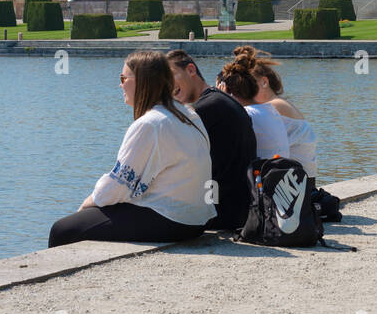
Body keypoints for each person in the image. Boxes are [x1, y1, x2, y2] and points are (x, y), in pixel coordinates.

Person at [49, 51, 214, 247]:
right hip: (197, 220)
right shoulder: (188, 114)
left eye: (123, 78)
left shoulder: (150, 124)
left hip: (172, 219)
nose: (120, 84)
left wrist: (87, 204)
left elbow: (117, 186)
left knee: (62, 230)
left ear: (142, 81)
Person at [166, 48, 257, 231]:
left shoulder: (202, 111)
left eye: (171, 76)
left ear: (191, 70)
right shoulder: (221, 101)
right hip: (240, 208)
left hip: (220, 214)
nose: (167, 86)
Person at [243, 46, 319, 181]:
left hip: (297, 183)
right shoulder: (279, 103)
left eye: (248, 84)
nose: (245, 90)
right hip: (302, 180)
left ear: (264, 82)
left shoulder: (274, 106)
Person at [218, 47, 290, 161]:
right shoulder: (271, 111)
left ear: (228, 90)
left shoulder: (246, 115)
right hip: (276, 175)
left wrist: (221, 100)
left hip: (260, 176)